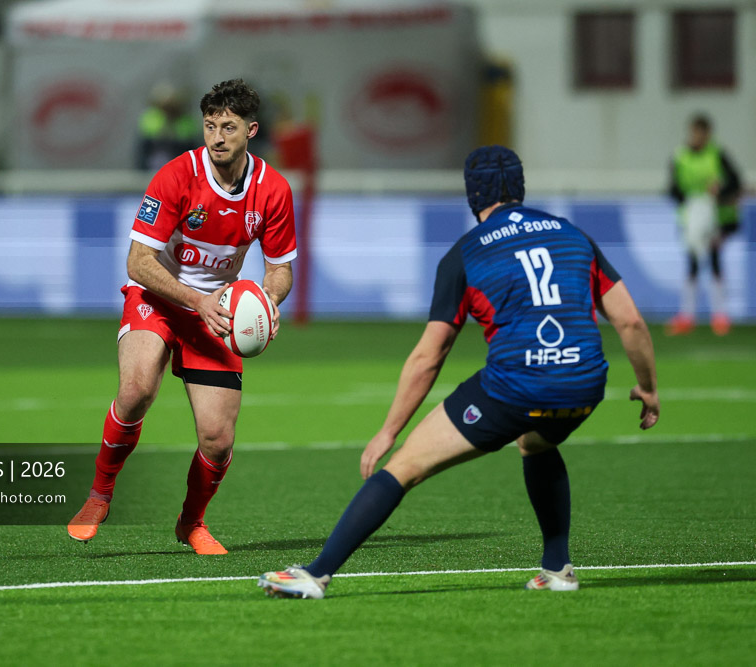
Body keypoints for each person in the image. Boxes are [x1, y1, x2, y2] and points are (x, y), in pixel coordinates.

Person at [259, 145, 660, 599]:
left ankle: (316, 574)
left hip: (517, 386)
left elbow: (431, 354)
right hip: (585, 382)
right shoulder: (573, 235)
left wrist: (389, 430)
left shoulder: (466, 253)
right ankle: (557, 569)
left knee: (406, 466)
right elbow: (630, 322)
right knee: (535, 441)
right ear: (520, 187)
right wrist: (647, 388)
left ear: (474, 194)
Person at [67, 79, 297, 554]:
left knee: (217, 438)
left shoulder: (272, 190)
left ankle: (192, 523)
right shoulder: (177, 175)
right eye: (210, 125)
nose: (216, 136)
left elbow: (280, 271)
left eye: (228, 127)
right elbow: (138, 263)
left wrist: (267, 301)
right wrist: (197, 300)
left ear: (251, 130)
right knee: (135, 392)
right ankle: (99, 494)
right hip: (159, 295)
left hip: (215, 313)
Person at [667, 114, 741, 336]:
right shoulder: (680, 157)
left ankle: (720, 316)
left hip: (716, 217)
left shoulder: (717, 154)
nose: (698, 136)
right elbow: (672, 188)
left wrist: (719, 193)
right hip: (690, 218)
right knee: (692, 264)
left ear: (708, 133)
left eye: (702, 132)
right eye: (695, 132)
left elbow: (735, 181)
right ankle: (687, 316)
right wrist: (689, 200)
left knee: (715, 260)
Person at [136, 82, 198, 172]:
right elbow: (144, 148)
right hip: (154, 166)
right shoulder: (151, 118)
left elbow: (189, 145)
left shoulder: (186, 121)